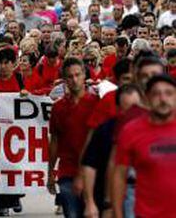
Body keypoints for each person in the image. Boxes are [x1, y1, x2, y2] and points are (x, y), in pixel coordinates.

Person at [113, 74, 176, 217]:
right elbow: (119, 175)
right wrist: (117, 213)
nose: (163, 99)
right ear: (146, 98)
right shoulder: (131, 131)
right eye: (156, 94)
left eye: (169, 93)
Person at [47, 57, 99, 217]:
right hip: (67, 171)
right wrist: (50, 173)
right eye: (70, 76)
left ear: (84, 75)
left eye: (78, 75)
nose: (75, 80)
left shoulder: (97, 103)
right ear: (64, 80)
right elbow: (54, 141)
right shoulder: (58, 108)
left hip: (93, 171)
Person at [82, 84, 142, 216]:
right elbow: (89, 166)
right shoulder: (104, 130)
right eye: (126, 110)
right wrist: (90, 202)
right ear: (118, 109)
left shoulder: (155, 131)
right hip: (109, 201)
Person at [0, 47, 28, 216]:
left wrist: (26, 93)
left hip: (16, 133)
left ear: (13, 64)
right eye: (0, 63)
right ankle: (1, 204)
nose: (3, 67)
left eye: (6, 63)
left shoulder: (19, 79)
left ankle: (16, 196)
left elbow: (34, 98)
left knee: (16, 166)